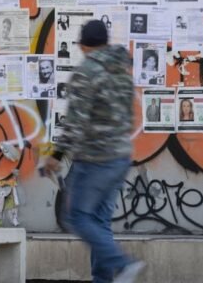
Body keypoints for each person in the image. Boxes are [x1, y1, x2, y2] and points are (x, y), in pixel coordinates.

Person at [42, 19, 145, 283]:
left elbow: (75, 123)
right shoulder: (121, 71)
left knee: (77, 216)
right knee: (99, 222)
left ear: (84, 45)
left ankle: (123, 263)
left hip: (95, 160)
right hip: (121, 158)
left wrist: (56, 156)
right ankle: (104, 279)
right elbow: (128, 117)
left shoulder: (86, 72)